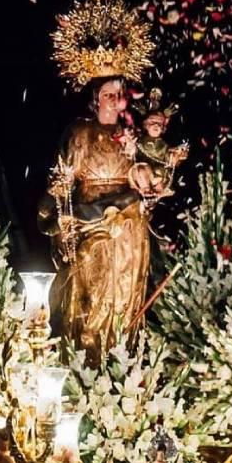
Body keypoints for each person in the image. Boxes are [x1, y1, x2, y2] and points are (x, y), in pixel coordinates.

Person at [38, 77, 149, 367]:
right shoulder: (80, 132)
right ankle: (86, 360)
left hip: (127, 228)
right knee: (90, 293)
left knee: (123, 293)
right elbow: (62, 180)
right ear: (95, 97)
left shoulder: (131, 135)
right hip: (90, 221)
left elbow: (147, 176)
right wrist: (55, 213)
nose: (114, 99)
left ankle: (122, 359)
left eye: (118, 93)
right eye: (107, 93)